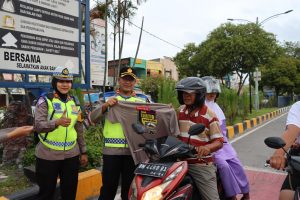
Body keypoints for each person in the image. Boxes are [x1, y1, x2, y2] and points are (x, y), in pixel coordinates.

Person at [90, 67, 145, 200]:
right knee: (108, 188)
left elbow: (150, 125)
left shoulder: (141, 102)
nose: (127, 82)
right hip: (111, 152)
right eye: (124, 79)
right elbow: (92, 118)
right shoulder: (107, 98)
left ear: (135, 82)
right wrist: (105, 106)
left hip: (132, 153)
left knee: (129, 189)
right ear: (119, 80)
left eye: (130, 80)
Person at [34, 67, 88, 200]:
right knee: (46, 194)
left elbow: (79, 128)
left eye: (68, 81)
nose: (65, 84)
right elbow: (38, 126)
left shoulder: (74, 101)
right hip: (48, 155)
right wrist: (56, 122)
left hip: (71, 155)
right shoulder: (46, 100)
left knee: (69, 193)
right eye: (61, 81)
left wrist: (84, 151)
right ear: (54, 82)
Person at [175, 76, 224, 200]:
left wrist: (207, 147)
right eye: (184, 93)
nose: (186, 96)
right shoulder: (180, 111)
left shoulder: (209, 115)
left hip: (199, 164)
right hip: (179, 162)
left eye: (191, 93)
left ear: (200, 95)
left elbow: (219, 141)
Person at [202, 76, 250, 200]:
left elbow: (223, 132)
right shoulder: (200, 108)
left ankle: (246, 193)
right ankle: (232, 196)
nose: (212, 94)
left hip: (223, 145)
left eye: (214, 91)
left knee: (237, 164)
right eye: (209, 91)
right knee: (224, 166)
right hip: (209, 147)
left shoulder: (216, 107)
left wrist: (223, 144)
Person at [269, 101, 300, 200]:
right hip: (298, 154)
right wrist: (278, 155)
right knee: (285, 195)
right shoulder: (298, 106)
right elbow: (292, 131)